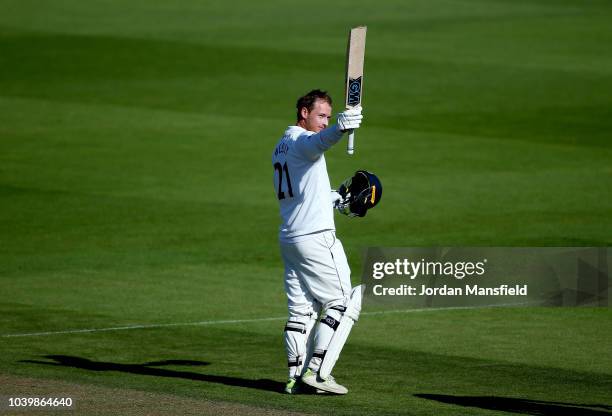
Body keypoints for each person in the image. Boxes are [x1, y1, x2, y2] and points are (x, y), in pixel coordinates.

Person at [271, 89, 363, 395]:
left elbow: (303, 193)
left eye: (328, 116)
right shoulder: (302, 142)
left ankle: (293, 378)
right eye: (321, 116)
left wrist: (334, 198)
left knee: (301, 312)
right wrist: (341, 127)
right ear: (303, 113)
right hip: (316, 238)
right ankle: (317, 372)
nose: (324, 122)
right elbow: (319, 142)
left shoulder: (281, 147)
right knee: (342, 301)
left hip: (290, 238)